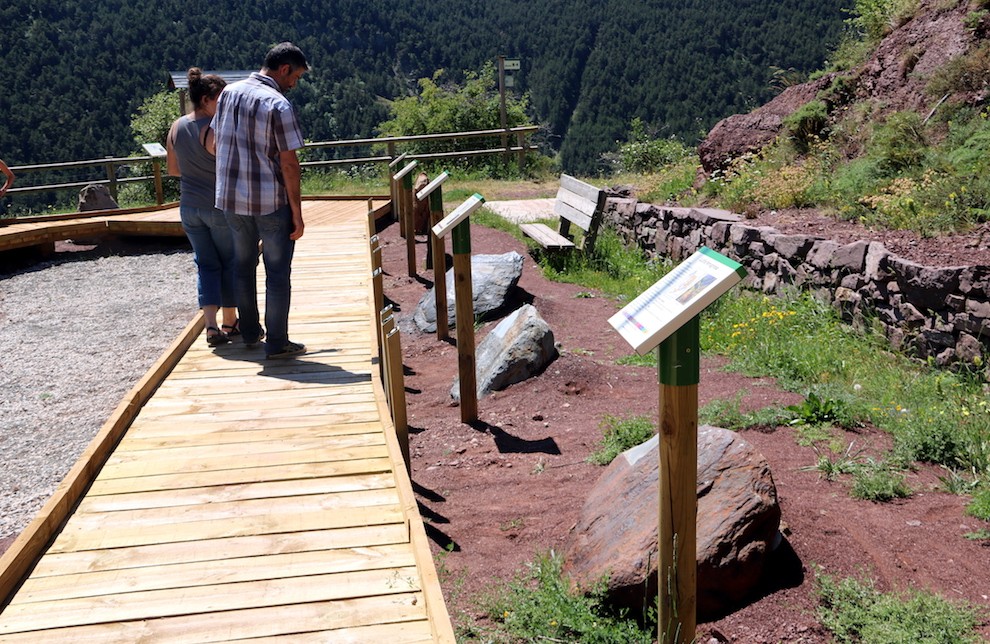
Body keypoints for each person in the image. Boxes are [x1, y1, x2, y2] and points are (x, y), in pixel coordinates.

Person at [212, 42, 309, 359]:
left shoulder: (228, 93)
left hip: (230, 200)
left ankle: (250, 333)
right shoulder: (278, 104)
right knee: (277, 273)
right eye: (295, 77)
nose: (295, 83)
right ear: (284, 70)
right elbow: (289, 164)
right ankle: (277, 343)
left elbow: (214, 141)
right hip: (270, 203)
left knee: (242, 267)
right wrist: (297, 212)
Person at [166, 68, 239, 347]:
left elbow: (174, 170)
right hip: (217, 207)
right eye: (222, 98)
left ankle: (210, 327)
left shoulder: (177, 126)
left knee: (206, 265)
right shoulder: (213, 129)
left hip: (188, 207)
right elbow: (230, 165)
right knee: (230, 263)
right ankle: (230, 323)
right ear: (208, 99)